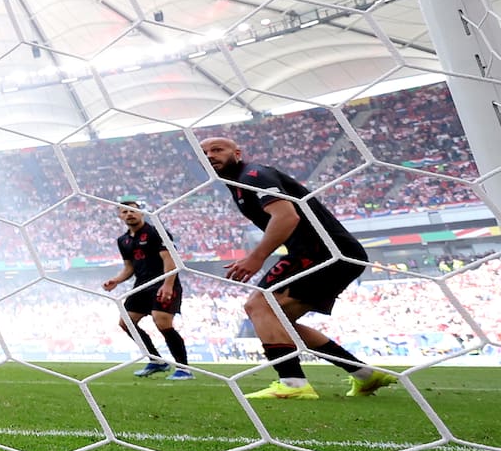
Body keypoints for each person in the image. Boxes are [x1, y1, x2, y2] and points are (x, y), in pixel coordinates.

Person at [200, 137, 399, 399]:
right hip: (329, 252)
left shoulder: (253, 175)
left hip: (321, 251)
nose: (210, 155)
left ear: (237, 153)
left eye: (217, 150)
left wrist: (256, 258)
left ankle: (293, 383)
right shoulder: (237, 184)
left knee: (258, 306)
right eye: (204, 153)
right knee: (276, 322)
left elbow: (286, 216)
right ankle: (365, 375)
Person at [101, 200, 192, 380]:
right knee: (126, 323)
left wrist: (168, 284)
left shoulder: (156, 232)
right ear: (120, 216)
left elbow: (170, 259)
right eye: (125, 212)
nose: (129, 214)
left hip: (162, 282)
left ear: (141, 213)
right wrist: (116, 280)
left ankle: (184, 369)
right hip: (141, 285)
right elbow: (129, 267)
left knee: (162, 322)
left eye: (132, 210)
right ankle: (156, 360)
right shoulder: (123, 240)